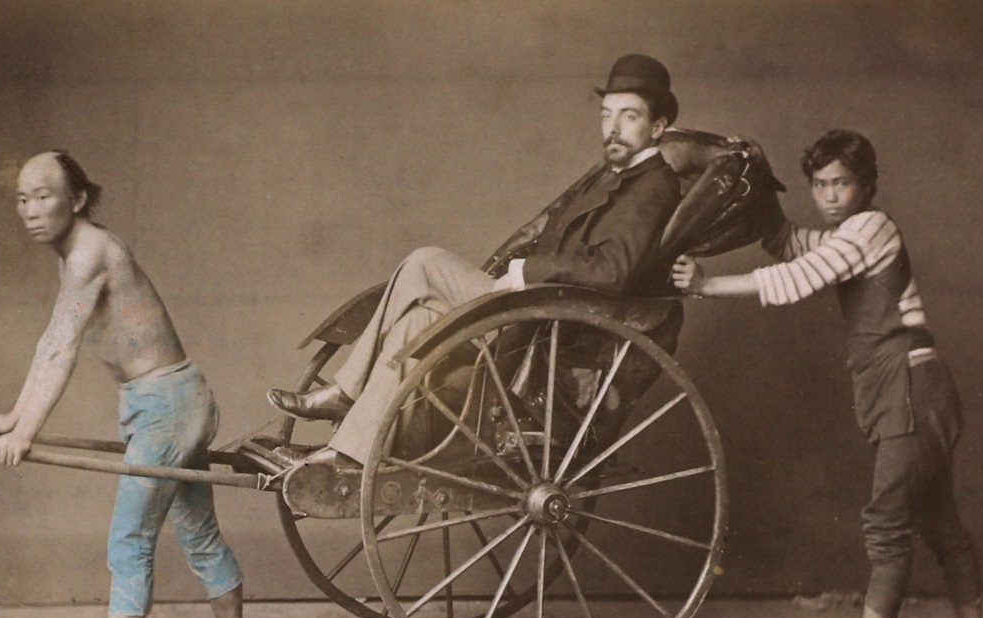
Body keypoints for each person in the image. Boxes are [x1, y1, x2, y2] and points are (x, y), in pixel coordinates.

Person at [671, 129, 983, 618]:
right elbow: (790, 243)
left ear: (867, 185)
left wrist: (707, 285)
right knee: (939, 521)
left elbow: (800, 275)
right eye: (819, 185)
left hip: (909, 386)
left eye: (842, 183)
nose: (830, 196)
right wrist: (760, 187)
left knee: (887, 523)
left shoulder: (871, 227)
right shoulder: (849, 235)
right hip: (910, 386)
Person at [268, 53, 685, 467]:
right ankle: (349, 451)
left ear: (658, 127)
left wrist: (527, 271)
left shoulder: (653, 187)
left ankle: (346, 391)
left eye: (629, 117)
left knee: (425, 261)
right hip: (534, 310)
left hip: (546, 323)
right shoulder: (614, 176)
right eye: (606, 115)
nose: (612, 129)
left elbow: (613, 272)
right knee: (412, 325)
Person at [0, 151, 255, 618]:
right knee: (197, 530)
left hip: (165, 406)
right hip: (175, 397)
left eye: (45, 196)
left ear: (78, 199)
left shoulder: (89, 255)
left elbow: (61, 349)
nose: (31, 210)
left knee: (129, 537)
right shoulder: (76, 253)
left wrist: (25, 433)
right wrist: (15, 416)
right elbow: (51, 342)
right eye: (22, 198)